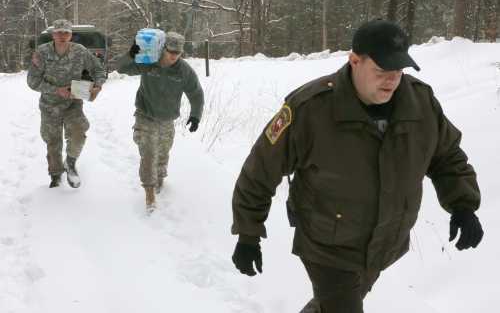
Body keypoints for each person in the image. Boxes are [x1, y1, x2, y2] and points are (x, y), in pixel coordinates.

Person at [230, 19, 484, 313]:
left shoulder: (420, 103)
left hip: (384, 242)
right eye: (381, 71)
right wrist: (248, 234)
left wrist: (463, 206)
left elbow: (446, 156)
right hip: (328, 245)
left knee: (335, 304)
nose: (392, 80)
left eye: (399, 71)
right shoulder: (310, 109)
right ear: (354, 61)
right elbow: (260, 170)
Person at [117, 31, 204, 211]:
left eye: (177, 53)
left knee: (162, 155)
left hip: (167, 120)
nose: (173, 56)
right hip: (145, 116)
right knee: (148, 153)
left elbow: (196, 93)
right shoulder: (148, 63)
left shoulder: (183, 70)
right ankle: (149, 193)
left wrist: (196, 115)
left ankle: (159, 180)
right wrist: (131, 54)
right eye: (170, 51)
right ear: (163, 49)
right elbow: (122, 68)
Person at [27, 19, 106, 189]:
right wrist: (56, 90)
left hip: (73, 103)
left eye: (66, 33)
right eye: (58, 32)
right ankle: (55, 176)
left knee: (79, 131)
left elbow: (99, 69)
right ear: (53, 34)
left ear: (71, 35)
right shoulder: (42, 52)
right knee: (53, 142)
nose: (62, 36)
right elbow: (32, 81)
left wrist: (98, 85)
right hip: (49, 106)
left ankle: (70, 163)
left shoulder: (80, 51)